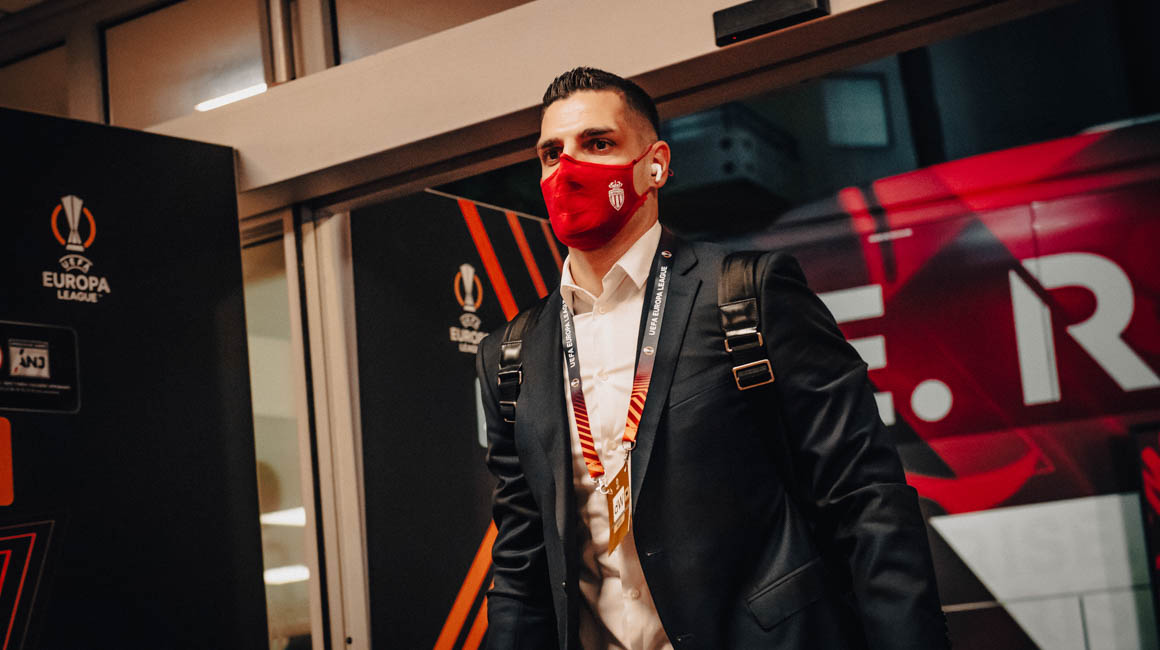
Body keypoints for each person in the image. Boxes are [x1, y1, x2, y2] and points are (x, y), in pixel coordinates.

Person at [475, 67, 948, 650]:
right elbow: (521, 563)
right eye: (552, 153)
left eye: (598, 143)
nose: (568, 168)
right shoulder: (511, 355)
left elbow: (866, 498)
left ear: (655, 165)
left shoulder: (747, 295)